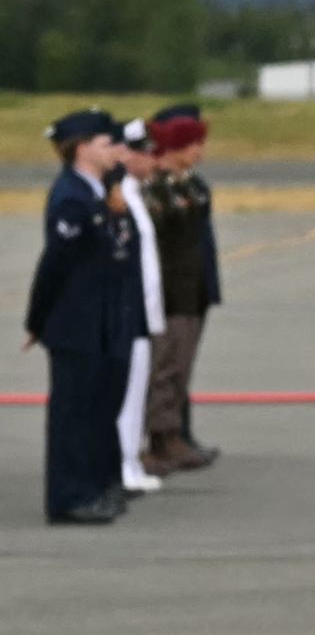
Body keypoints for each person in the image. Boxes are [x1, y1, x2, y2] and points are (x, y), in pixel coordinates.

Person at [25, 110, 140, 525]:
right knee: (74, 414)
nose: (116, 150)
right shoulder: (71, 197)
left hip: (102, 319)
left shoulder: (97, 191)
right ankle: (70, 497)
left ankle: (96, 485)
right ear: (82, 148)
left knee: (98, 408)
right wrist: (37, 319)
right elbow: (56, 263)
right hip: (76, 321)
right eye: (107, 143)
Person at [144, 114, 216, 474]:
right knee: (164, 366)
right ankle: (159, 437)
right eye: (193, 144)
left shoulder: (189, 185)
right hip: (168, 291)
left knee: (180, 367)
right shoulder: (155, 188)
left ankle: (172, 433)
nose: (200, 151)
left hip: (190, 289)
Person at [113, 119, 168, 495]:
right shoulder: (118, 196)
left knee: (134, 395)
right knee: (124, 396)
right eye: (144, 153)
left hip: (141, 311)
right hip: (127, 311)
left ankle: (129, 463)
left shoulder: (133, 193)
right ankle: (121, 465)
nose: (152, 160)